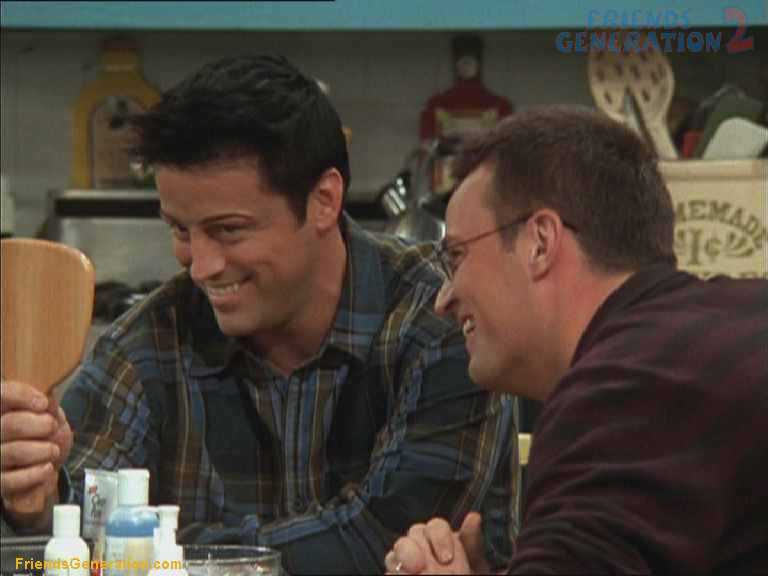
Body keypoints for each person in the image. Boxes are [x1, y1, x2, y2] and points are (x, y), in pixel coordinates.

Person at [0, 55, 520, 573]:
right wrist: (37, 502)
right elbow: (74, 538)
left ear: (324, 200)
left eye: (229, 230)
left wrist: (156, 547)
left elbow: (379, 540)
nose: (200, 267)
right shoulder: (147, 343)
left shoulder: (441, 321)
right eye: (180, 230)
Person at [385, 106, 768, 574]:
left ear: (540, 242)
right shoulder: (709, 337)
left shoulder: (624, 388)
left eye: (457, 257)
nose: (443, 300)